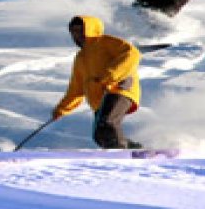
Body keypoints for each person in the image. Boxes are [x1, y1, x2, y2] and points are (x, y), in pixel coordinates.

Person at [52, 15, 143, 149]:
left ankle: (120, 153)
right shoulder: (80, 58)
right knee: (100, 136)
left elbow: (132, 54)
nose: (77, 35)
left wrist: (110, 74)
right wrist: (61, 109)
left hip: (119, 89)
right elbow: (76, 89)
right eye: (73, 32)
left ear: (89, 28)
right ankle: (133, 149)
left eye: (80, 30)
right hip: (100, 101)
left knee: (107, 124)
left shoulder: (105, 42)